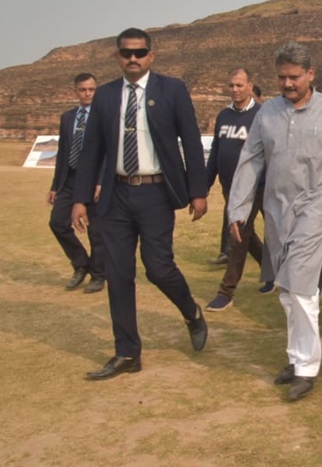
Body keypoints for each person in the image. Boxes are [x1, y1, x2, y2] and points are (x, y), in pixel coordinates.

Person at [228, 42, 322, 401]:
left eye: (294, 77)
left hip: (317, 206)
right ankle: (295, 355)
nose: (287, 84)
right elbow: (250, 161)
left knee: (303, 288)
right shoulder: (267, 113)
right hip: (277, 209)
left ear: (311, 75)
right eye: (281, 77)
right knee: (287, 290)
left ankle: (306, 367)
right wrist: (239, 209)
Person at [71, 27, 209, 380]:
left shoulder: (172, 89)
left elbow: (191, 142)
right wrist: (81, 199)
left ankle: (191, 312)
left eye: (140, 52)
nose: (133, 58)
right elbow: (91, 153)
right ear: (117, 56)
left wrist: (198, 191)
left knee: (158, 268)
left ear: (151, 55)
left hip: (156, 193)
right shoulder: (104, 96)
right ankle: (127, 353)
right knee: (118, 274)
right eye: (126, 53)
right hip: (116, 195)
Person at [204, 68, 269, 311]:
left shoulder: (262, 115)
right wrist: (204, 186)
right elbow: (216, 154)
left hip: (256, 188)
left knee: (238, 236)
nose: (235, 89)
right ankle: (270, 271)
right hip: (229, 188)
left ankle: (226, 292)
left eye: (239, 85)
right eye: (231, 85)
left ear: (250, 86)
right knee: (246, 234)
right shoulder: (223, 116)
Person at [48, 72, 106, 294]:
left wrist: (101, 180)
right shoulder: (68, 117)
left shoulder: (102, 116)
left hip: (94, 180)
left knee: (96, 231)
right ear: (76, 91)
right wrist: (55, 185)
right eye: (83, 89)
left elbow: (108, 152)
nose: (87, 93)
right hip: (70, 179)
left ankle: (99, 276)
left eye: (91, 89)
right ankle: (81, 264)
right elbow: (63, 153)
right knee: (57, 223)